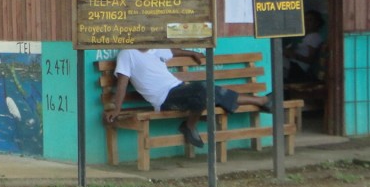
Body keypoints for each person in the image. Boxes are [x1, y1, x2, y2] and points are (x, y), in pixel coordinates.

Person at [103, 48, 271, 148]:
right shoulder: (127, 54)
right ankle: (190, 126)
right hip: (164, 98)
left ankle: (261, 101)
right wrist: (117, 108)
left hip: (179, 88)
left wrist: (192, 53)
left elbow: (173, 51)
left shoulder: (154, 49)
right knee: (204, 90)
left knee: (210, 90)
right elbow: (122, 83)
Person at [284, 10, 324, 83]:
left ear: (317, 23)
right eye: (305, 20)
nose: (306, 22)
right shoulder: (307, 36)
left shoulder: (314, 37)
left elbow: (310, 59)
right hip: (292, 65)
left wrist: (293, 55)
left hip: (298, 68)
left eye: (309, 20)